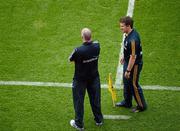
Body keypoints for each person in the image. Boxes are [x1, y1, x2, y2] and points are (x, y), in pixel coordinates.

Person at [69, 28, 103, 130]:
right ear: (91, 36)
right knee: (95, 99)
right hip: (94, 77)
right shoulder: (97, 46)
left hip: (80, 80)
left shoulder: (78, 50)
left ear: (82, 37)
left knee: (79, 102)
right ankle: (99, 120)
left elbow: (70, 59)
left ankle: (79, 124)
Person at [115, 16, 147, 112]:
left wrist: (128, 70)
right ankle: (127, 102)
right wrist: (124, 57)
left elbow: (133, 57)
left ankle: (141, 106)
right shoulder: (129, 34)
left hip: (134, 65)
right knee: (126, 82)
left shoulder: (133, 40)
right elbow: (129, 52)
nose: (120, 28)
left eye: (122, 26)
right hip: (128, 61)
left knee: (133, 84)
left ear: (128, 26)